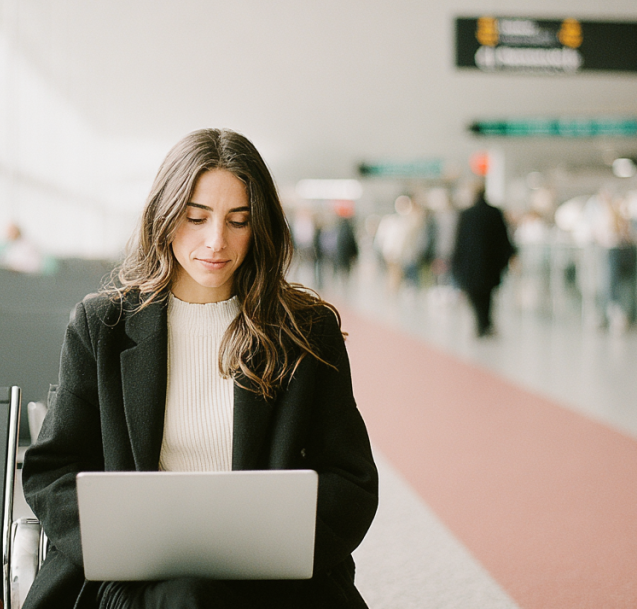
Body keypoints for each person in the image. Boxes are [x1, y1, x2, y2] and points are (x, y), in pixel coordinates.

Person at [21, 129, 379, 609]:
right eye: (196, 218)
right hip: (133, 581)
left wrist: (284, 546)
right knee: (188, 597)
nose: (217, 242)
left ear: (261, 227)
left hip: (270, 578)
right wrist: (112, 546)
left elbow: (350, 476)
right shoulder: (103, 325)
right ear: (165, 217)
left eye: (239, 221)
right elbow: (52, 469)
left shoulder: (304, 330)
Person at [451, 185, 515, 337]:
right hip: (491, 262)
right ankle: (485, 323)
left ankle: (481, 324)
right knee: (487, 295)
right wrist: (507, 257)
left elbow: (459, 241)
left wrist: (456, 261)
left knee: (474, 294)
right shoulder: (495, 213)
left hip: (471, 263)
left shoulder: (466, 214)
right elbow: (504, 238)